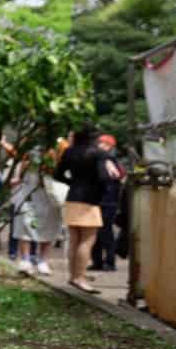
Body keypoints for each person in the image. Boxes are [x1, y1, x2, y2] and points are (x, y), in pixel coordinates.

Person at [57, 125, 119, 294]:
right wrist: (108, 183)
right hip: (90, 201)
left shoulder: (69, 151)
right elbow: (103, 177)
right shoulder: (97, 153)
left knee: (74, 240)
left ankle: (73, 276)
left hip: (72, 198)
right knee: (88, 240)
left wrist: (72, 183)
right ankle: (80, 278)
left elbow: (57, 174)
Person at [91, 133, 127, 272]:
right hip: (101, 200)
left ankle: (110, 262)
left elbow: (117, 177)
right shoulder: (100, 160)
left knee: (105, 232)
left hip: (107, 201)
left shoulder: (110, 160)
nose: (101, 146)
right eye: (100, 143)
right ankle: (97, 261)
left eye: (105, 144)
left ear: (110, 147)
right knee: (96, 232)